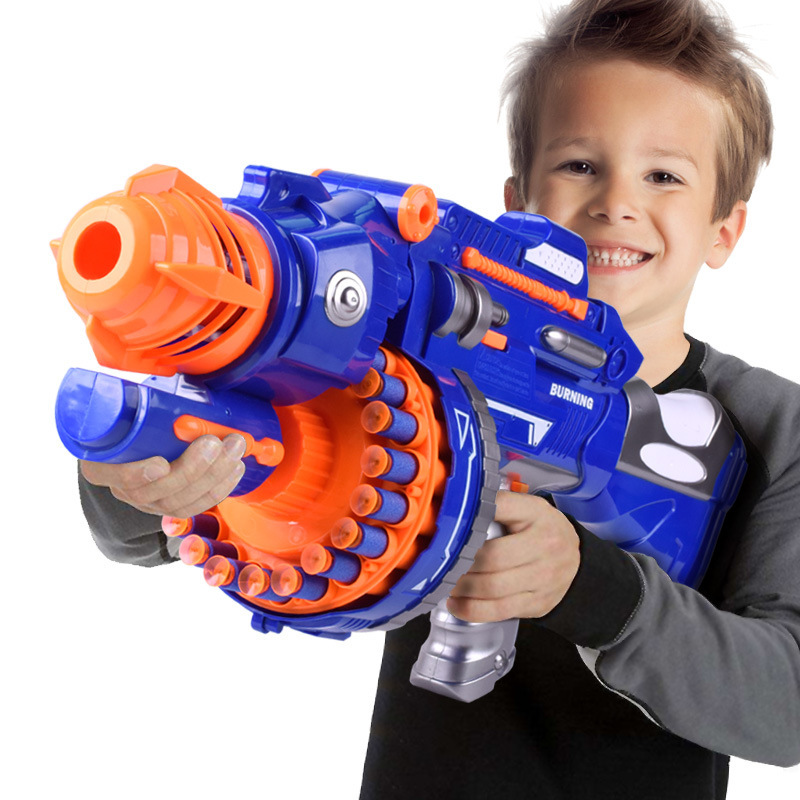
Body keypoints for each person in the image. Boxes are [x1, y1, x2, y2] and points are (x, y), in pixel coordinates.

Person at [77, 1, 800, 797]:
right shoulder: (406, 358)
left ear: (725, 229)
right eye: (579, 165)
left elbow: (788, 705)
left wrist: (592, 587)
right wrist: (140, 461)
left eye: (663, 175)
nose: (614, 203)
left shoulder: (773, 426)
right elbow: (161, 516)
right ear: (519, 202)